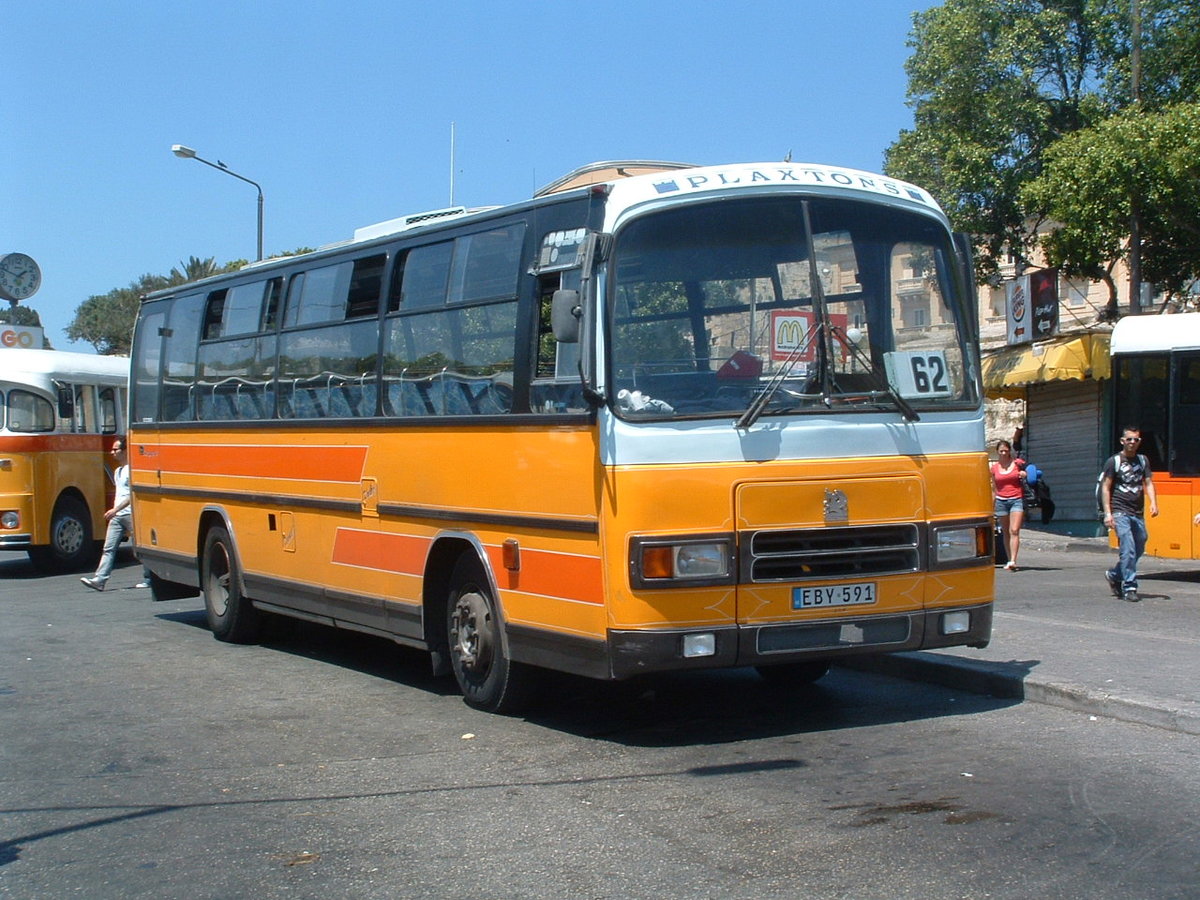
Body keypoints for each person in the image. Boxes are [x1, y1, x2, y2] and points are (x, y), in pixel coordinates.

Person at [1100, 426, 1158, 602]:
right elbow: (1106, 487)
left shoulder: (1142, 460)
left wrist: (1154, 503)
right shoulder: (1114, 461)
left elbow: (1148, 483)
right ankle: (1129, 587)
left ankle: (1114, 574)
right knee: (1128, 548)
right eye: (1129, 439)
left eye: (1136, 439)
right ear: (1122, 441)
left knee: (1140, 543)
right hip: (1119, 511)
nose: (1133, 442)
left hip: (1137, 512)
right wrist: (1108, 513)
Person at [81, 438, 133, 592]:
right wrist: (115, 511)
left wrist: (115, 510)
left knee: (140, 550)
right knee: (108, 548)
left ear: (124, 451)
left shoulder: (132, 470)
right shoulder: (117, 471)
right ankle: (99, 580)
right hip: (117, 516)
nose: (112, 452)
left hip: (130, 515)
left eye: (115, 449)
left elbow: (132, 495)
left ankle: (150, 578)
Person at [990, 439, 1026, 571]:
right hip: (1001, 501)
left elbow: (1030, 472)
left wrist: (1024, 474)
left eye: (1006, 450)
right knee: (1006, 532)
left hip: (1016, 499)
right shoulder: (994, 468)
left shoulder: (1017, 464)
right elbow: (994, 488)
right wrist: (991, 506)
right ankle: (1009, 559)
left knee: (1014, 530)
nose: (1004, 453)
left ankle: (1013, 560)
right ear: (997, 452)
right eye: (1001, 451)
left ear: (1009, 451)